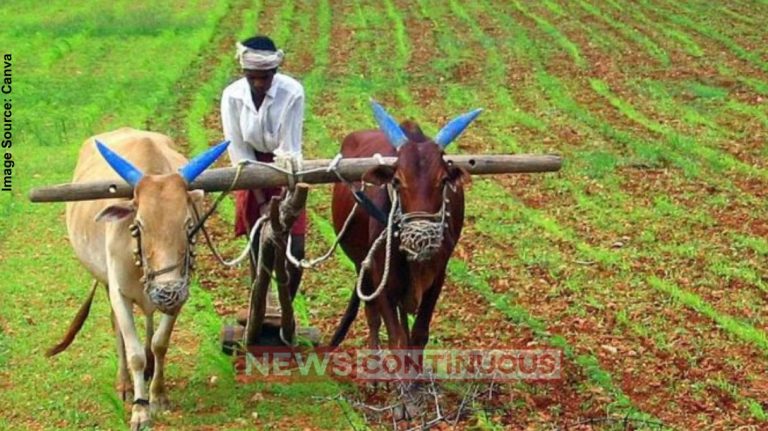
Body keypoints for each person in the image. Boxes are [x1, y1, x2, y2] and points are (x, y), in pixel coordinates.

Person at [220, 35, 306, 303]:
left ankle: (285, 307)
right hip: (250, 170)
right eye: (252, 77)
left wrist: (284, 204)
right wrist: (260, 203)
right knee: (258, 242)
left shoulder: (292, 92)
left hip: (285, 170)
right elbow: (239, 152)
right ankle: (260, 302)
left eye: (265, 77)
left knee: (296, 248)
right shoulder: (232, 96)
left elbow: (289, 149)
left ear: (275, 72)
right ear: (244, 73)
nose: (259, 83)